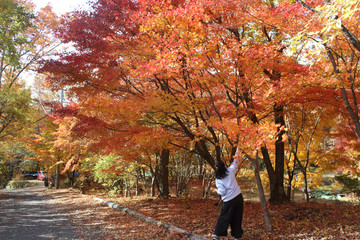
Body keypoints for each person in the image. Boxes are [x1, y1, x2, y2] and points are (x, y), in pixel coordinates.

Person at [213, 155, 243, 240]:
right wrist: (238, 149)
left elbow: (222, 192)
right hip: (238, 197)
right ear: (224, 166)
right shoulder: (230, 170)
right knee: (237, 217)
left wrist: (216, 190)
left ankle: (217, 234)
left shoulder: (218, 180)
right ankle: (237, 236)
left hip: (229, 200)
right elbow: (236, 160)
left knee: (224, 217)